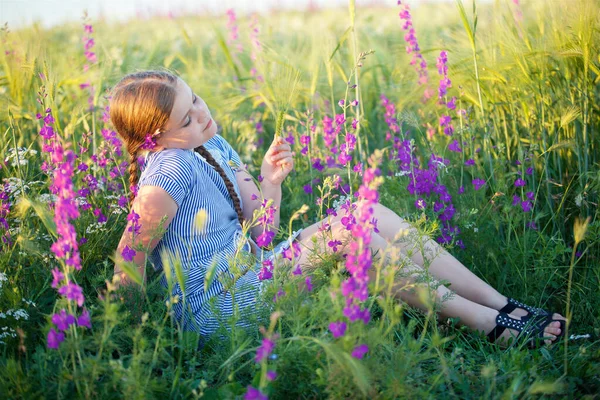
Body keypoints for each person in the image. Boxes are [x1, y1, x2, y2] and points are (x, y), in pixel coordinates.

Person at [110, 69, 566, 348]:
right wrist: (129, 344)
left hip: (253, 272)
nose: (202, 115)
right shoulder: (164, 176)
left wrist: (270, 182)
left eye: (197, 100)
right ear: (156, 140)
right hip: (218, 309)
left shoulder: (212, 142)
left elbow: (262, 232)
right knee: (350, 235)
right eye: (186, 118)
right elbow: (126, 264)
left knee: (363, 212)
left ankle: (502, 305)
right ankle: (490, 326)